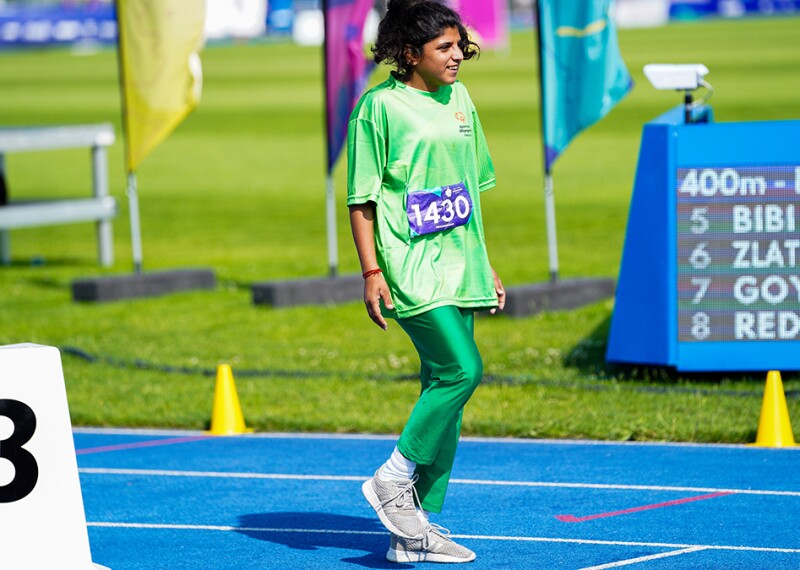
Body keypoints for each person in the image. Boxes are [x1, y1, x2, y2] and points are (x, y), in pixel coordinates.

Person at [346, 0, 505, 564]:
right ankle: (392, 478)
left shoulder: (460, 99)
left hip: (461, 263)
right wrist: (371, 272)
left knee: (445, 394)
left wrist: (484, 264)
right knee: (464, 370)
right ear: (409, 53)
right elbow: (361, 199)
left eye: (460, 44)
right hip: (409, 265)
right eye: (444, 47)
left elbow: (467, 188)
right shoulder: (378, 108)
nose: (458, 54)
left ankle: (411, 531)